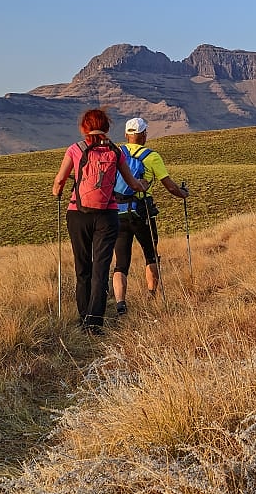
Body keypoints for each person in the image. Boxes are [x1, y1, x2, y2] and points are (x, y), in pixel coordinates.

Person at [52, 109, 147, 333]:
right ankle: (95, 322)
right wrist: (143, 185)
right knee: (101, 269)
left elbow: (59, 181)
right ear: (107, 127)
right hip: (107, 214)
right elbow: (132, 183)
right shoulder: (115, 151)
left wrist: (57, 192)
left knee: (82, 266)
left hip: (78, 213)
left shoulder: (75, 149)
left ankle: (83, 317)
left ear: (84, 127)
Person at [112, 116, 189, 314]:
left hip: (117, 212)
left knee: (121, 261)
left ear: (126, 135)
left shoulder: (116, 153)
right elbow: (169, 186)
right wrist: (183, 194)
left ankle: (120, 302)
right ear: (144, 134)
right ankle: (151, 294)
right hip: (142, 213)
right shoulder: (151, 156)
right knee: (150, 254)